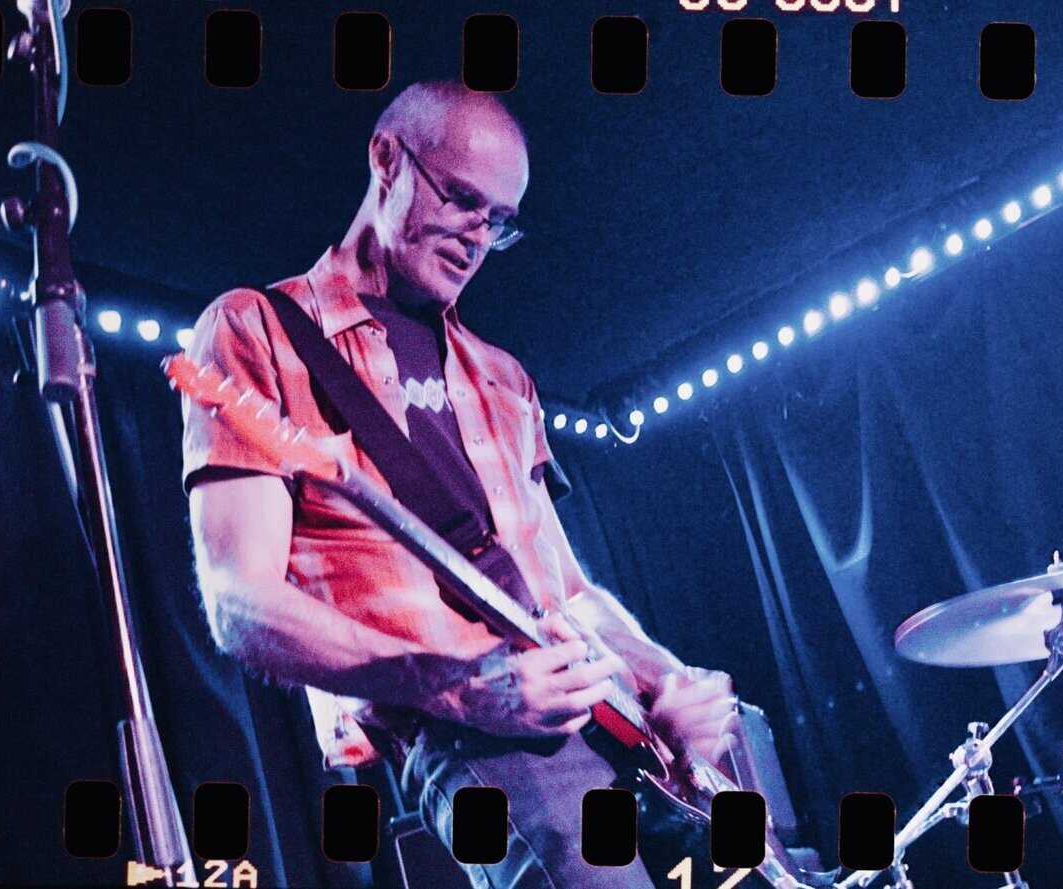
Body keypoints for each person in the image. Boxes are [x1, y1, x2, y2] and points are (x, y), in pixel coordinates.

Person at [181, 81, 730, 889]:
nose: (478, 238)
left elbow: (569, 591)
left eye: (499, 221)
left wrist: (664, 678)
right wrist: (456, 685)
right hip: (471, 734)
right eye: (464, 200)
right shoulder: (256, 329)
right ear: (386, 158)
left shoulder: (503, 377)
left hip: (603, 714)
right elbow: (238, 599)